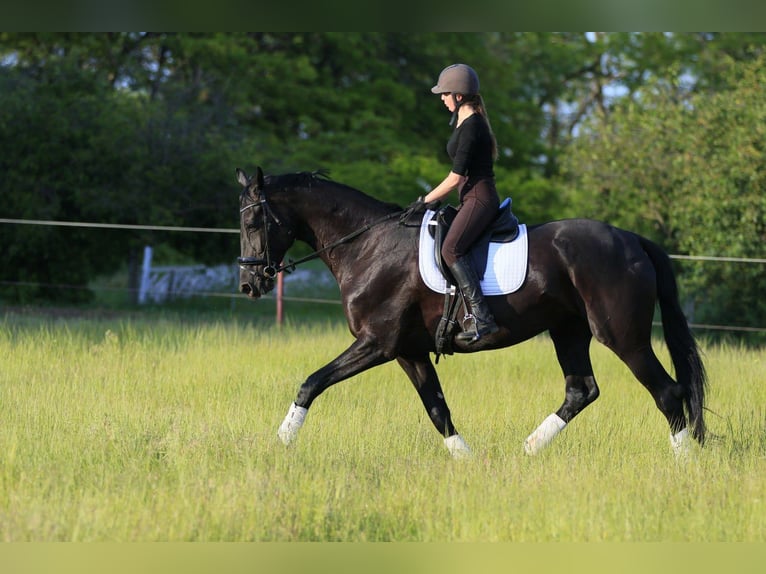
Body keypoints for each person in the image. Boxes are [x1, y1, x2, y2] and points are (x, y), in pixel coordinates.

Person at [422, 63, 500, 343]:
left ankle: (481, 316)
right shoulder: (466, 122)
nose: (441, 99)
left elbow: (456, 177)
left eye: (444, 94)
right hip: (471, 197)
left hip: (479, 198)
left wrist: (424, 200)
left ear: (458, 95)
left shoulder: (472, 126)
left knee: (451, 249)